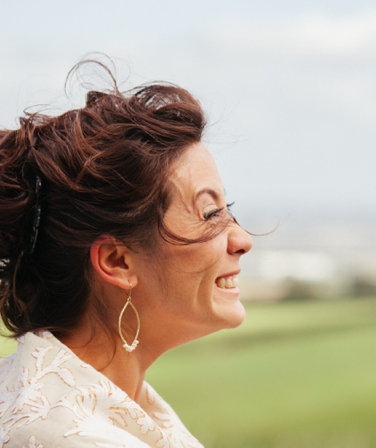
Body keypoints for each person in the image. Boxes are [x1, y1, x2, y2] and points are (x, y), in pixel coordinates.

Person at [0, 62, 252, 446]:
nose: (242, 239)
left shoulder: (113, 407)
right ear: (117, 261)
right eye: (210, 214)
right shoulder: (71, 437)